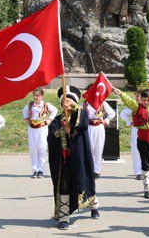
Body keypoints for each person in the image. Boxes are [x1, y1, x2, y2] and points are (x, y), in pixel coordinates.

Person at [48, 85, 99, 230]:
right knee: (63, 185)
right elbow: (50, 137)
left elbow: (82, 123)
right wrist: (62, 130)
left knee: (83, 181)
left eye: (70, 101)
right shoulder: (57, 120)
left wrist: (73, 111)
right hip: (63, 160)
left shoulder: (81, 114)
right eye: (65, 100)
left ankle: (94, 206)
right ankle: (64, 217)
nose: (67, 103)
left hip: (79, 158)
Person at [116, 87, 149, 198]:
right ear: (141, 99)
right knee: (145, 164)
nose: (146, 102)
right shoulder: (137, 107)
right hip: (142, 139)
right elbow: (128, 101)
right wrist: (121, 93)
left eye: (148, 100)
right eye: (144, 100)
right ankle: (147, 188)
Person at [23, 87, 57, 179]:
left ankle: (41, 170)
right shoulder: (30, 105)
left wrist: (49, 119)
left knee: (42, 148)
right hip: (32, 128)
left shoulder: (46, 105)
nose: (35, 97)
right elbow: (24, 111)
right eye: (34, 95)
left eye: (37, 95)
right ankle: (34, 170)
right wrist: (28, 120)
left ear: (42, 96)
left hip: (42, 128)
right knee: (33, 149)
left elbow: (55, 110)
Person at [85, 97, 116, 179]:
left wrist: (106, 120)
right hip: (89, 127)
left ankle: (97, 171)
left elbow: (112, 113)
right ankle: (89, 169)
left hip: (99, 127)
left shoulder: (102, 102)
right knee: (89, 148)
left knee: (99, 148)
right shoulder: (85, 103)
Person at [119, 93, 142, 180]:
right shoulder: (134, 106)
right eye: (136, 96)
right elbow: (123, 113)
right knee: (136, 150)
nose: (137, 97)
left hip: (147, 130)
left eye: (138, 96)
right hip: (136, 129)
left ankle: (146, 170)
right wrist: (129, 122)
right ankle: (138, 172)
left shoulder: (148, 106)